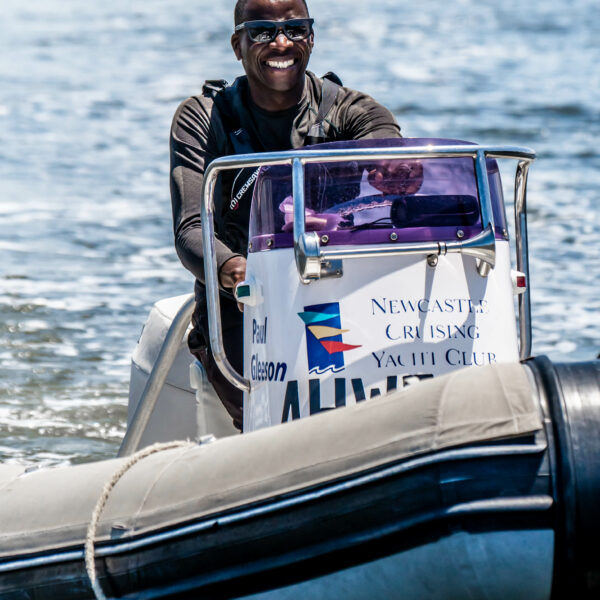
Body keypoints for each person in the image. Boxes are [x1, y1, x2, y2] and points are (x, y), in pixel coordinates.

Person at [170, 0, 418, 431]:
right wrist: (238, 271)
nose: (281, 43)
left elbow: (387, 145)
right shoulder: (204, 118)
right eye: (262, 31)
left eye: (295, 29)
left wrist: (397, 170)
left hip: (337, 295)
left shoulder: (349, 111)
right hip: (246, 306)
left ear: (312, 37)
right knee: (283, 412)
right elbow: (192, 230)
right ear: (238, 45)